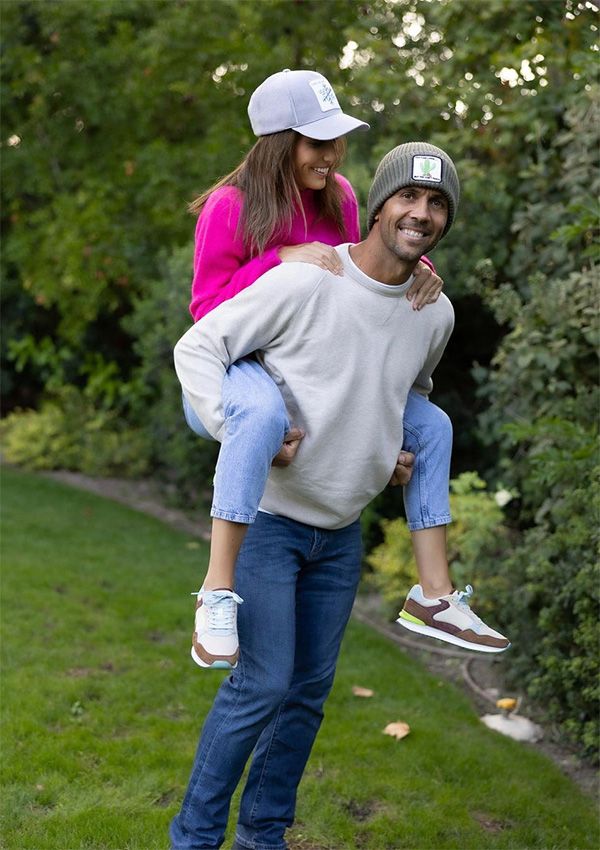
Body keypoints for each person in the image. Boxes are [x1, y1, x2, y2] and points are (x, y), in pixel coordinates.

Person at [170, 141, 510, 850]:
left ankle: (263, 836)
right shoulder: (309, 282)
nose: (421, 212)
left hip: (339, 536)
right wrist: (232, 425)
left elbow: (402, 397)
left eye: (437, 203)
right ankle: (195, 838)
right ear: (378, 203)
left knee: (303, 700)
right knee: (261, 688)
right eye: (408, 197)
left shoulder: (433, 313)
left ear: (446, 221)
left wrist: (385, 449)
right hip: (269, 524)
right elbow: (198, 347)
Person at [181, 70, 473, 671]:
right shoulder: (228, 207)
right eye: (316, 143)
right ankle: (215, 593)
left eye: (336, 141)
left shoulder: (339, 194)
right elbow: (208, 316)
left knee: (434, 427)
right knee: (261, 413)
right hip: (240, 371)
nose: (332, 155)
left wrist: (419, 267)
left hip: (309, 368)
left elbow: (362, 273)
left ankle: (434, 596)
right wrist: (276, 258)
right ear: (276, 143)